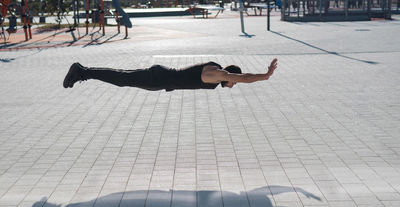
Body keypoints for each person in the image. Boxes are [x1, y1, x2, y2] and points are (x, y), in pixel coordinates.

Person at [63, 58, 278, 91]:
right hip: (159, 78)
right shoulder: (218, 74)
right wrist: (265, 76)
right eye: (234, 81)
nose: (234, 85)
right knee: (121, 79)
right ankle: (82, 72)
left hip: (161, 78)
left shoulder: (214, 70)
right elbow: (245, 77)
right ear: (230, 76)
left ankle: (83, 72)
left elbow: (241, 78)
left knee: (123, 78)